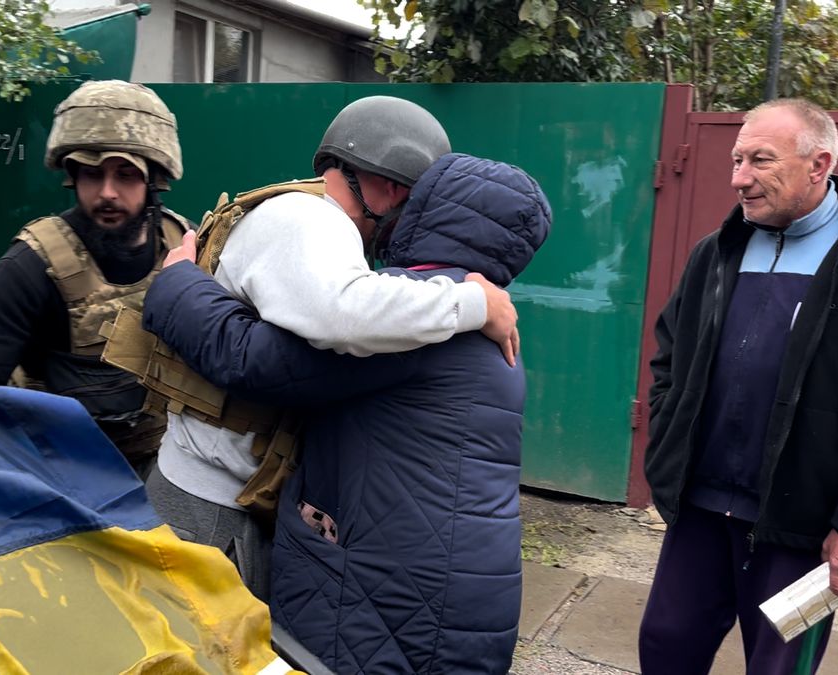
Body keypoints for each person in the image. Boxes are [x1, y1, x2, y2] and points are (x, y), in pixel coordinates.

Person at [140, 151, 551, 673]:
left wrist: (176, 283)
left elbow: (252, 358)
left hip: (391, 603)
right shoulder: (487, 326)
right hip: (468, 591)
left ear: (426, 211)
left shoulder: (415, 322)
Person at [639, 98, 838, 674]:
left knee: (778, 668)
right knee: (666, 645)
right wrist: (668, 444)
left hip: (798, 527)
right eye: (736, 160)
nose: (739, 179)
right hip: (700, 510)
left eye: (760, 161)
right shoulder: (717, 253)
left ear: (819, 165)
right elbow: (670, 358)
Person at [0, 80, 190, 479]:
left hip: (160, 463)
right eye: (92, 174)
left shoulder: (182, 246)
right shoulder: (31, 266)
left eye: (125, 174)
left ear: (153, 180)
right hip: (57, 468)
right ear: (73, 178)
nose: (107, 192)